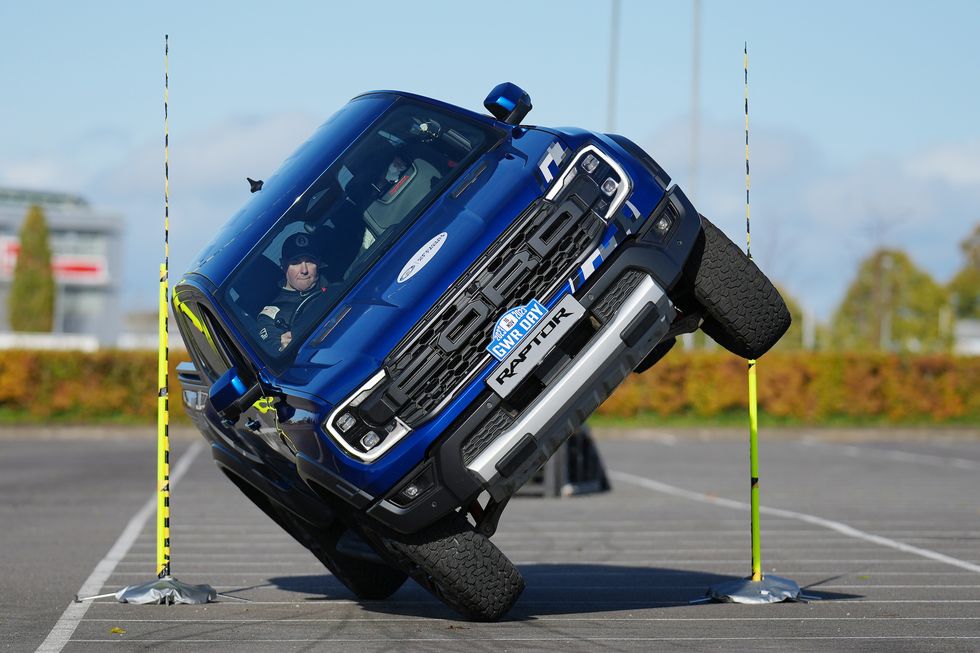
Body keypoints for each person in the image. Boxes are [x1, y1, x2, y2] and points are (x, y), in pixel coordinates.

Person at [256, 232, 327, 353]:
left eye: (309, 261)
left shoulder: (334, 281)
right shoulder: (271, 315)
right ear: (283, 265)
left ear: (318, 263)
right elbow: (276, 354)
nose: (304, 270)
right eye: (295, 262)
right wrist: (284, 348)